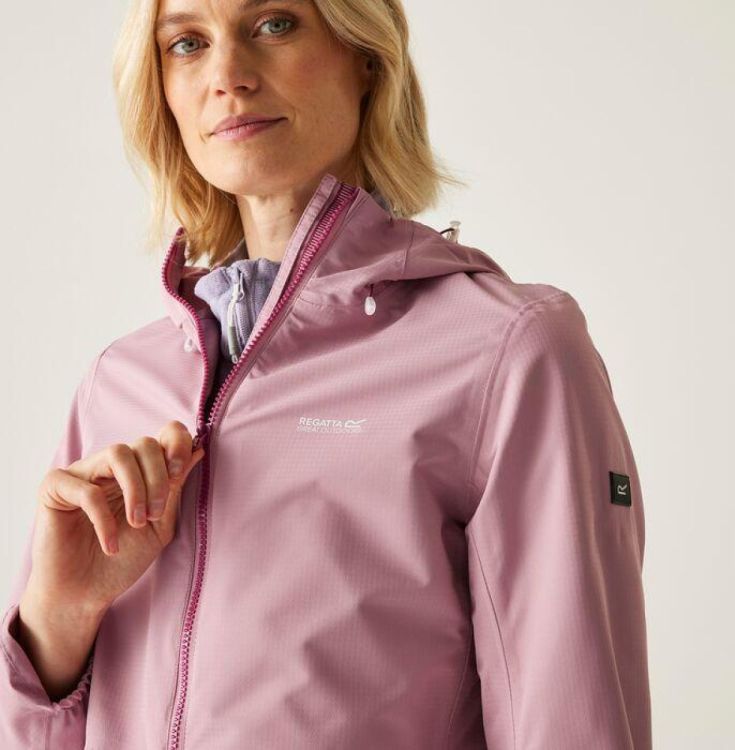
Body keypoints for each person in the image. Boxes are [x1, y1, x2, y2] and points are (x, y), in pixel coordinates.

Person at [0, 0, 652, 748]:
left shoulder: (504, 352)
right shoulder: (122, 382)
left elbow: (571, 721)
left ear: (364, 56)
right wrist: (58, 618)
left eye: (273, 24)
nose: (227, 75)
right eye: (186, 43)